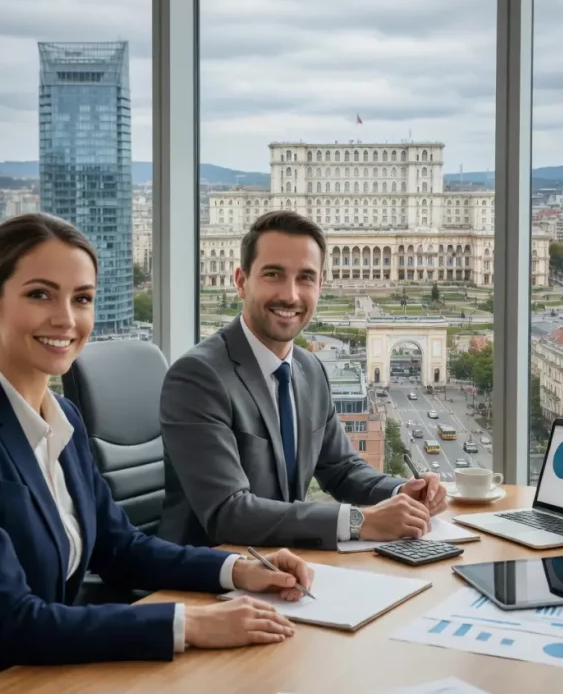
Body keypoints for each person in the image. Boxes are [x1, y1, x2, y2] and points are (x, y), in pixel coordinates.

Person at [0, 213, 312, 688]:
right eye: (39, 294)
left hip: (49, 681)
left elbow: (120, 547)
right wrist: (187, 624)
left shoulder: (62, 417)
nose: (66, 319)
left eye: (81, 299)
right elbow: (8, 621)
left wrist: (241, 571)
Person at [159, 210, 448, 551]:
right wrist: (360, 521)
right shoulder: (198, 377)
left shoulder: (309, 368)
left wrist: (402, 492)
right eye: (273, 274)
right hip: (209, 581)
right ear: (241, 281)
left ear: (320, 287)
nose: (291, 295)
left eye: (306, 278)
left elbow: (340, 468)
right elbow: (229, 512)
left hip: (286, 566)